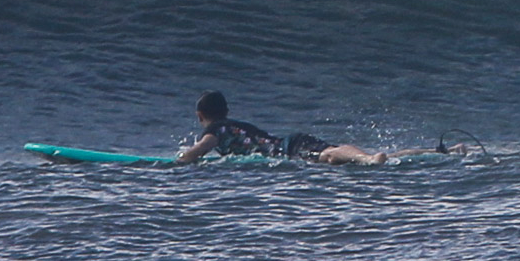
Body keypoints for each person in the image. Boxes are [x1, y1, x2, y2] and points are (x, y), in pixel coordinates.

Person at [175, 90, 432, 165]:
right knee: (346, 157)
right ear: (227, 111)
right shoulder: (231, 124)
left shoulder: (216, 129)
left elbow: (202, 148)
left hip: (289, 149)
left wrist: (181, 160)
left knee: (330, 155)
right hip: (290, 143)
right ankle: (440, 151)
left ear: (200, 115)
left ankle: (369, 158)